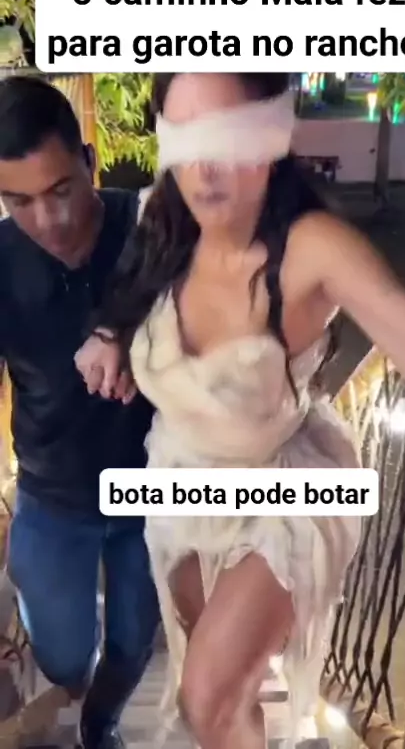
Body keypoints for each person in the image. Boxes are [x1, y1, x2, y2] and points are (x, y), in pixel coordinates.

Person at [75, 71, 405, 749]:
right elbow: (132, 293)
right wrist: (110, 335)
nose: (205, 168)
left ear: (273, 133)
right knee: (224, 697)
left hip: (282, 491)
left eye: (230, 136)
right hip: (178, 482)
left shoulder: (313, 246)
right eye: (187, 137)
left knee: (207, 693)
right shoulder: (160, 215)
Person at [0, 75, 160, 749]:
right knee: (62, 653)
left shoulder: (154, 229)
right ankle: (76, 692)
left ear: (90, 162)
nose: (49, 220)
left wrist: (137, 340)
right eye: (19, 201)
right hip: (50, 494)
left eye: (61, 190)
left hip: (157, 491)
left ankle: (102, 725)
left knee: (135, 640)